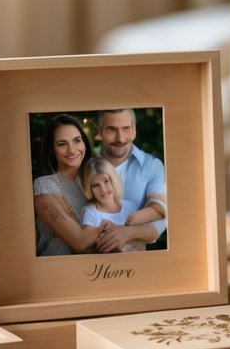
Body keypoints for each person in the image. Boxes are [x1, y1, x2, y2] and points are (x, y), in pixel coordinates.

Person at [96, 109, 168, 253]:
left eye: (126, 128)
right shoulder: (85, 167)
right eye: (111, 129)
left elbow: (161, 214)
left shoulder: (152, 165)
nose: (120, 138)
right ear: (100, 131)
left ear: (134, 128)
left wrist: (128, 233)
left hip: (136, 264)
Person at [33, 114, 101, 256]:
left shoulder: (97, 181)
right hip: (59, 269)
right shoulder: (45, 185)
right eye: (62, 144)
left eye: (77, 140)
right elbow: (79, 242)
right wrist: (115, 224)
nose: (72, 150)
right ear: (51, 150)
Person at [79, 157, 157, 252]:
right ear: (89, 188)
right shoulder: (90, 212)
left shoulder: (130, 207)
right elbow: (94, 245)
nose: (103, 190)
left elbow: (144, 237)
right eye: (96, 185)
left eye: (106, 181)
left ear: (114, 179)